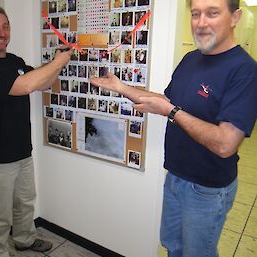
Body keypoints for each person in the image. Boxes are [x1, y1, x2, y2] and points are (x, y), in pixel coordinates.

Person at [90, 0, 257, 256]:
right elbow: (169, 102)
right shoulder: (191, 59)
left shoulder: (244, 70)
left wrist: (172, 112)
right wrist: (121, 88)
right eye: (196, 14)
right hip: (176, 176)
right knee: (172, 246)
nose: (201, 22)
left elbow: (225, 144)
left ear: (234, 17)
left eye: (212, 13)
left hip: (207, 189)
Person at [0, 5, 72, 257]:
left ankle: (25, 239)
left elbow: (41, 82)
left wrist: (57, 63)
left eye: (5, 26)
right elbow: (23, 86)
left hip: (21, 150)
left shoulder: (14, 61)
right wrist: (57, 61)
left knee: (25, 203)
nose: (1, 32)